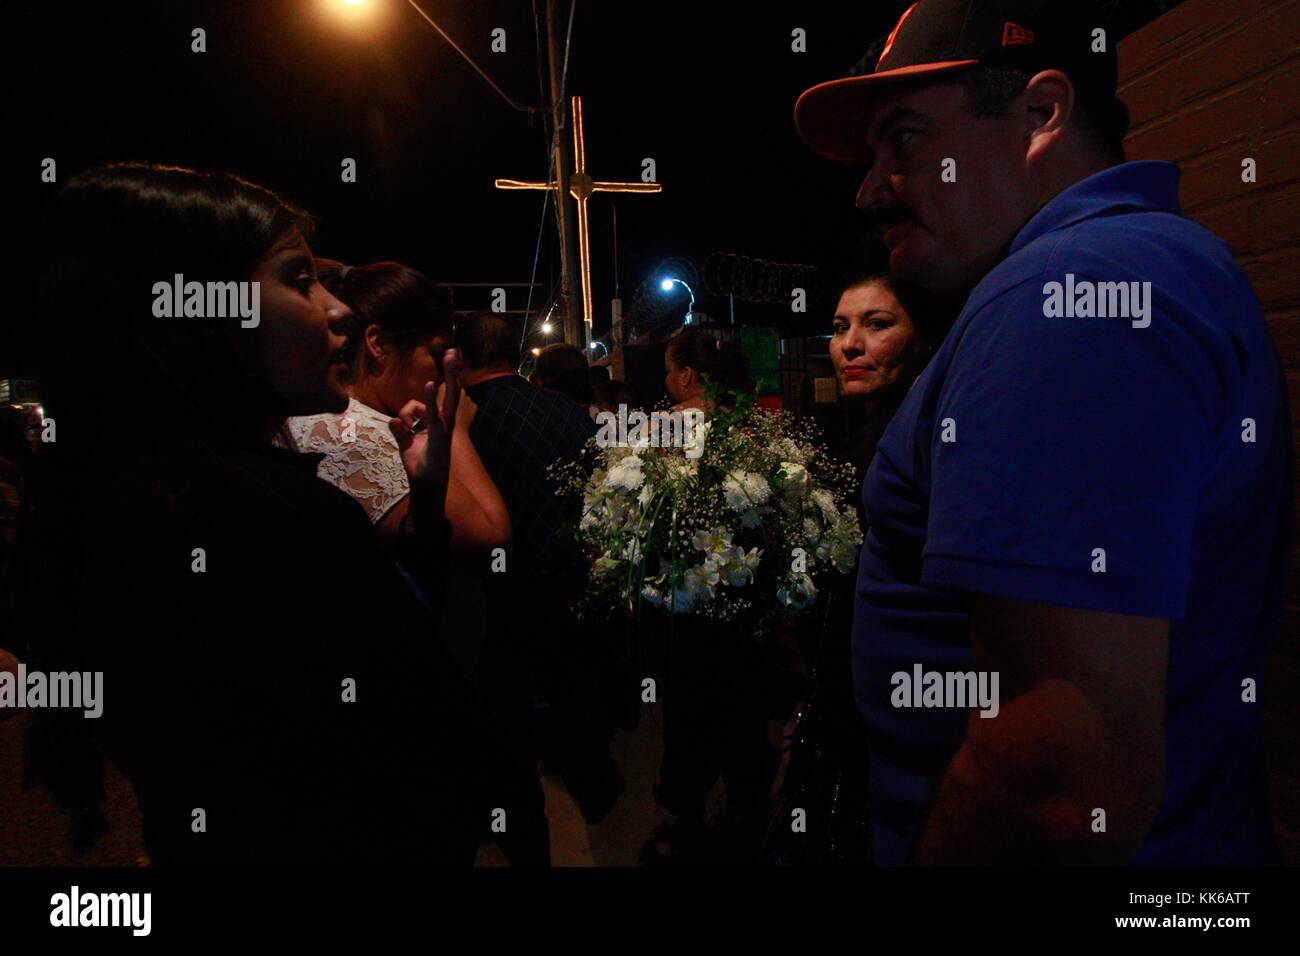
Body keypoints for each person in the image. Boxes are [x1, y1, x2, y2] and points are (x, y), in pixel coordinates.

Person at [795, 0, 1292, 864]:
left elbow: (1054, 791)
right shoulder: (1119, 268)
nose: (870, 189)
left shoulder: (1066, 294)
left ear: (1040, 113)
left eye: (903, 139)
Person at [20, 162, 546, 866]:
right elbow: (422, 733)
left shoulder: (141, 490)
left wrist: (424, 496)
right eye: (299, 281)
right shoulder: (254, 513)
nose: (340, 311)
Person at [455, 313, 624, 822]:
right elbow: (600, 491)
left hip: (498, 587)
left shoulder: (463, 420)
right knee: (575, 688)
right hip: (570, 576)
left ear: (460, 358)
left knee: (505, 700)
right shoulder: (565, 412)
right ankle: (593, 784)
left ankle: (515, 803)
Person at [288, 260, 510, 560]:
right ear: (378, 344)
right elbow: (491, 539)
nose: (445, 373)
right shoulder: (353, 435)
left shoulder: (353, 419)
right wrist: (453, 429)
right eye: (435, 353)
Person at [663, 327, 751, 414]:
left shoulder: (662, 422)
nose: (666, 380)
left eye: (668, 371)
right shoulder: (739, 416)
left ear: (685, 375)